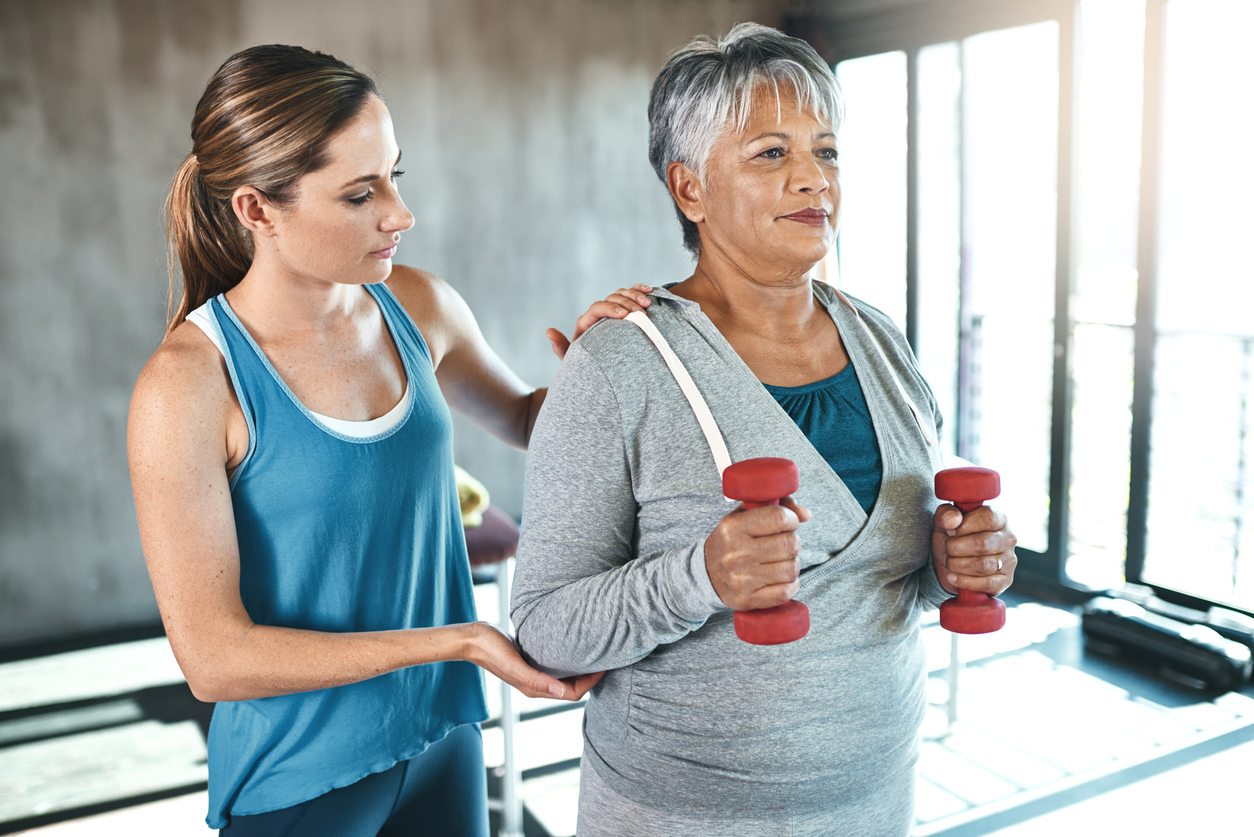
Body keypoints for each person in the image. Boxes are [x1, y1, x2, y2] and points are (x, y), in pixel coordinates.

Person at [510, 23, 1019, 837]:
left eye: (827, 151)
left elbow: (881, 583)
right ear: (690, 190)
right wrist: (701, 576)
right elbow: (545, 629)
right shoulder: (619, 362)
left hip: (877, 797)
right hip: (679, 814)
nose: (814, 178)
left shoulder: (881, 340)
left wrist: (955, 560)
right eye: (772, 155)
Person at [127, 44, 646, 835]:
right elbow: (214, 658)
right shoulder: (189, 383)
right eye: (360, 193)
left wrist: (601, 373)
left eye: (396, 177)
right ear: (257, 210)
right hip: (299, 779)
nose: (399, 215)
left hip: (442, 744)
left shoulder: (418, 304)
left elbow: (526, 419)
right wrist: (462, 639)